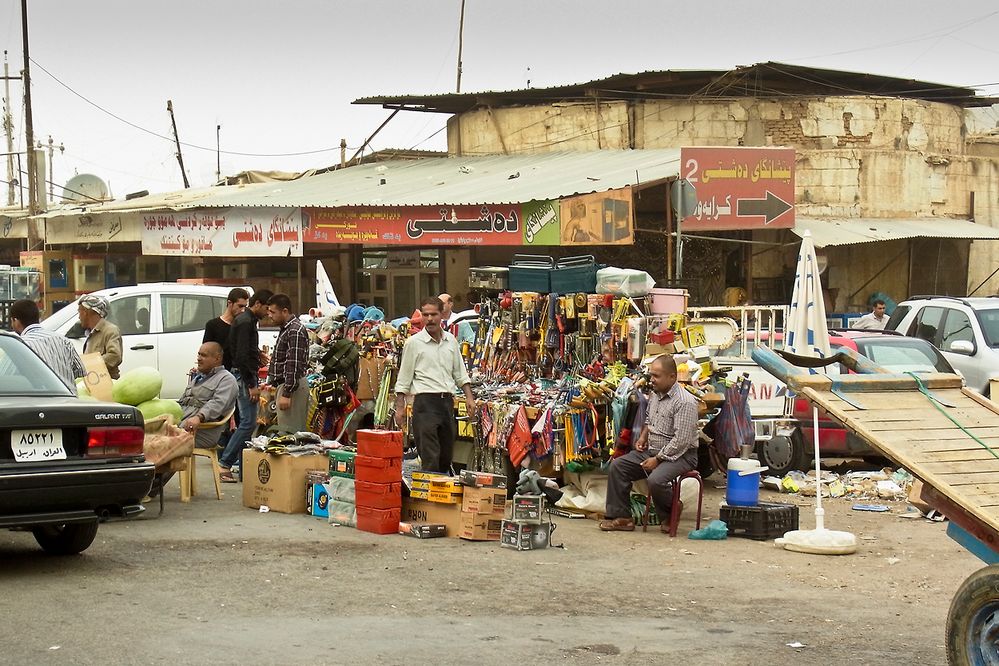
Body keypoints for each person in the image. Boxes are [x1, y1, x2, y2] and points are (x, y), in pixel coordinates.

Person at [599, 354, 699, 533]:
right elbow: (648, 420)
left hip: (681, 455)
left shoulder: (685, 402)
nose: (651, 380)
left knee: (656, 480)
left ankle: (671, 510)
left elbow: (681, 441)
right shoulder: (655, 395)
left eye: (656, 376)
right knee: (618, 466)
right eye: (651, 375)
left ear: (672, 377)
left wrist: (658, 460)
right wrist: (643, 437)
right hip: (654, 450)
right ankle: (622, 518)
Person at [394, 296, 476, 473]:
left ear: (442, 315)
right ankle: (430, 499)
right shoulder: (413, 344)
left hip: (446, 403)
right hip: (425, 404)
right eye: (425, 315)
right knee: (430, 457)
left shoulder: (451, 341)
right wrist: (400, 408)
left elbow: (460, 373)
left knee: (446, 456)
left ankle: (441, 495)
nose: (429, 319)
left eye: (433, 314)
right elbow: (404, 378)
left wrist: (470, 398)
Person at [218, 288, 273, 476]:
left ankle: (243, 468)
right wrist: (251, 385)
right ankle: (225, 463)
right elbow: (240, 356)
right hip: (243, 377)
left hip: (244, 375)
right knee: (248, 423)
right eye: (267, 308)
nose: (269, 313)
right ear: (257, 304)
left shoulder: (248, 321)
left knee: (246, 423)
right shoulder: (245, 322)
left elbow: (244, 351)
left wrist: (257, 355)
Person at [9, 298, 84, 389]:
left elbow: (7, 376)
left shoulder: (20, 345)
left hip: (40, 401)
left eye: (12, 321)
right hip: (69, 399)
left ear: (16, 321)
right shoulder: (63, 340)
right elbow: (80, 371)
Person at [177, 342, 238, 449]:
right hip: (181, 427)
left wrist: (199, 417)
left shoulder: (227, 379)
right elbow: (182, 402)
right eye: (199, 354)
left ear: (217, 359)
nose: (199, 358)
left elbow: (218, 404)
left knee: (158, 444)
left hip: (202, 431)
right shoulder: (198, 378)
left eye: (204, 355)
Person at [267, 293, 310, 433]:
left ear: (284, 311)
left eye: (273, 312)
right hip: (286, 386)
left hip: (293, 388)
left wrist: (287, 393)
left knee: (290, 434)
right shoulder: (287, 329)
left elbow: (293, 363)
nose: (270, 315)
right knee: (285, 433)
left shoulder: (295, 331)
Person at [78, 293, 124, 379]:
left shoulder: (110, 330)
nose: (79, 317)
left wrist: (90, 364)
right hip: (94, 381)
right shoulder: (90, 332)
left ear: (85, 313)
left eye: (79, 313)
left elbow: (115, 356)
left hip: (107, 382)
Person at [203, 287, 249, 369]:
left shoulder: (243, 326)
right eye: (240, 306)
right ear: (230, 303)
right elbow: (206, 352)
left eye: (245, 307)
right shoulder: (213, 325)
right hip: (218, 374)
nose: (243, 310)